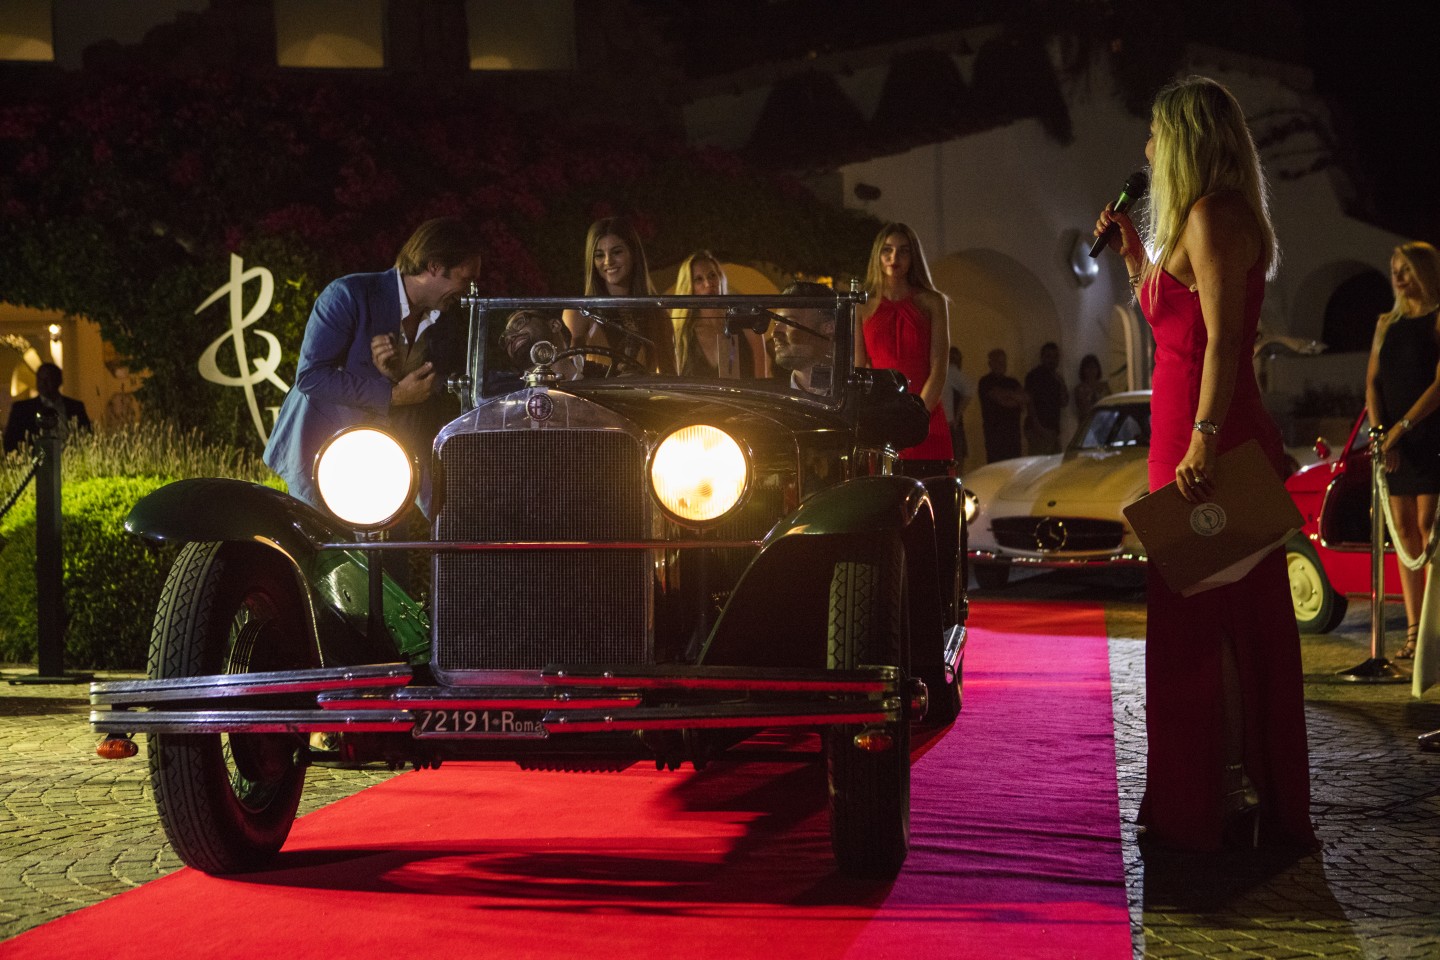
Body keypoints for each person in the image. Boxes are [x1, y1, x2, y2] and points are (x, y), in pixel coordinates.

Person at [1095, 75, 1316, 856]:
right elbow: (1178, 325)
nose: (1147, 148)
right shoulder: (1193, 222)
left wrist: (1204, 436)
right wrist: (1132, 252)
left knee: (1215, 627)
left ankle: (1223, 798)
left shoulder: (1214, 214)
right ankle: (1218, 790)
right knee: (1201, 622)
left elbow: (1224, 341)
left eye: (1156, 133)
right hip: (1185, 433)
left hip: (1209, 439)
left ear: (1186, 136)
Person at [263, 217, 483, 511]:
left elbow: (439, 382)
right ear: (434, 266)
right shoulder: (348, 294)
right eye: (465, 279)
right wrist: (393, 395)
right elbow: (311, 377)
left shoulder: (444, 320)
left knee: (390, 554)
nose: (469, 290)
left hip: (392, 463)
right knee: (325, 552)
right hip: (325, 453)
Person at [1365, 241, 1440, 660]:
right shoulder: (1384, 324)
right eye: (1394, 269)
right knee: (1402, 527)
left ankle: (1435, 632)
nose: (1398, 276)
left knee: (1430, 526)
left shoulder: (1437, 319)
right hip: (1393, 443)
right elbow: (1372, 382)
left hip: (1429, 437)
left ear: (1425, 272)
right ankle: (1414, 632)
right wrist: (1381, 432)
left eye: (1406, 269)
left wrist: (1404, 426)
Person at [855, 222, 953, 476]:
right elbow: (859, 367)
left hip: (927, 418)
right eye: (887, 250)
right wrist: (877, 420)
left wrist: (917, 415)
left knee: (935, 500)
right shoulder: (862, 306)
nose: (894, 258)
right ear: (878, 255)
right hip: (881, 423)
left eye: (903, 251)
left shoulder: (932, 302)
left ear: (914, 257)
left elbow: (939, 367)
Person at [562, 217, 676, 375]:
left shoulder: (657, 314)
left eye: (617, 252)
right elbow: (570, 373)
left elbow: (669, 375)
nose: (608, 261)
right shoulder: (580, 312)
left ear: (633, 253)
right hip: (595, 398)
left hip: (643, 398)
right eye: (599, 255)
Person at [672, 251, 766, 378]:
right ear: (689, 287)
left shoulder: (747, 324)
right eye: (698, 279)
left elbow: (761, 381)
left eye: (712, 275)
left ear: (720, 278)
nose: (708, 283)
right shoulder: (680, 335)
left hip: (742, 397)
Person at [3, 362, 91, 453]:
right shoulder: (22, 409)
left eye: (48, 379)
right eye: (40, 379)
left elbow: (88, 435)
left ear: (58, 381)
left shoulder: (75, 407)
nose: (43, 383)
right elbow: (10, 442)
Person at [771, 280, 836, 395]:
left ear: (828, 328)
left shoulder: (857, 395)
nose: (774, 333)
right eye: (776, 323)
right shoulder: (769, 396)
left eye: (788, 322)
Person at [977, 348, 1026, 462]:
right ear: (990, 364)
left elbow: (1025, 398)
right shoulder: (985, 382)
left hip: (1013, 438)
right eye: (998, 362)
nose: (1002, 365)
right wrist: (1014, 397)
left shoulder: (1013, 382)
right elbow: (1002, 400)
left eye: (1004, 362)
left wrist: (1008, 395)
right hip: (995, 440)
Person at [1023, 341, 1068, 454]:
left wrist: (1061, 384)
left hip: (1053, 431)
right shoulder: (1034, 376)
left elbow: (1064, 402)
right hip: (1038, 432)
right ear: (1042, 358)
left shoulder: (1057, 378)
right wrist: (1039, 428)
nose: (1052, 360)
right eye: (1049, 356)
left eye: (1055, 356)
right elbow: (1030, 403)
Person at [942, 347, 973, 472]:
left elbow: (969, 389)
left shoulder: (948, 371)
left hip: (949, 425)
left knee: (954, 463)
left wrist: (957, 415)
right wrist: (958, 415)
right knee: (955, 464)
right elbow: (969, 389)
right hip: (950, 424)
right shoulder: (949, 371)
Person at [1074, 352, 1112, 424]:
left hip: (1105, 422)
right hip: (1088, 424)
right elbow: (1083, 409)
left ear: (1098, 369)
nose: (1091, 370)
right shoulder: (1079, 389)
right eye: (1088, 367)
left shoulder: (1105, 386)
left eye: (1093, 367)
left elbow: (1110, 404)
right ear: (1083, 370)